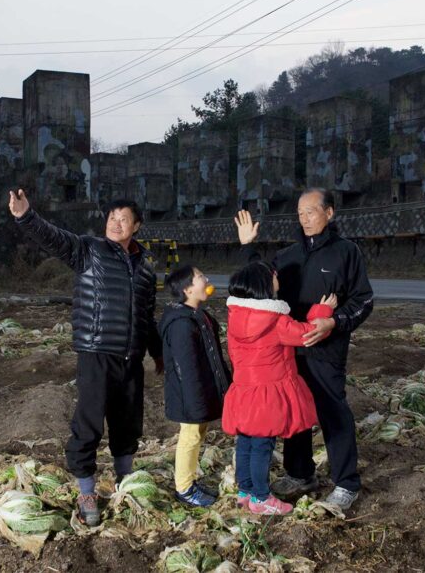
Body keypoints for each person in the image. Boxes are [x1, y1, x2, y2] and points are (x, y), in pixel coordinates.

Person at [8, 188, 163, 527]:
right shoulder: (89, 250)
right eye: (112, 218)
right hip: (96, 352)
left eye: (124, 219)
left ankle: (125, 482)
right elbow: (54, 238)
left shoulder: (147, 270)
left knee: (128, 423)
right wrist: (26, 216)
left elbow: (148, 317)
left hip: (131, 358)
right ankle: (86, 491)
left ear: (136, 226)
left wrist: (157, 353)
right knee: (89, 423)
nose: (116, 224)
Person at [234, 188, 374, 512]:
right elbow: (258, 282)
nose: (304, 218)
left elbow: (363, 300)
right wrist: (247, 246)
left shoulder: (346, 253)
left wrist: (335, 322)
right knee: (293, 414)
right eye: (300, 213)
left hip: (326, 351)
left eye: (311, 211)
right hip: (287, 350)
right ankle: (300, 474)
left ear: (330, 213)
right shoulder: (289, 255)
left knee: (332, 413)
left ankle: (346, 484)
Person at [222, 260, 337, 516]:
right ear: (263, 284)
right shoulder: (274, 321)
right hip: (266, 396)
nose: (277, 275)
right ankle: (262, 498)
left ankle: (246, 493)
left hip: (243, 391)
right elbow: (306, 334)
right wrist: (323, 311)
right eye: (272, 274)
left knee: (246, 443)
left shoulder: (237, 315)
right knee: (263, 445)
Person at [158, 265, 232, 507]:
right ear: (188, 289)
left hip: (198, 395)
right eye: (201, 277)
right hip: (189, 396)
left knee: (197, 435)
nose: (207, 279)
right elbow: (187, 370)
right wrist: (196, 404)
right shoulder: (181, 324)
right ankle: (184, 488)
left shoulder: (198, 315)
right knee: (189, 437)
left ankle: (189, 480)